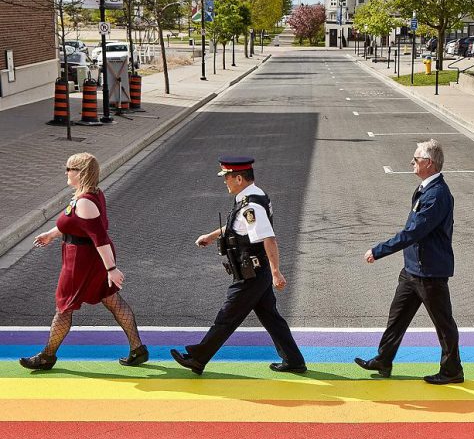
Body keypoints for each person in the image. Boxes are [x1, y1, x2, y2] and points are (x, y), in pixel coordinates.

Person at [170, 156, 306, 375]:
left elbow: (268, 238)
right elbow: (237, 226)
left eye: (227, 178)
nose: (225, 182)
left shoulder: (250, 205)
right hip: (254, 271)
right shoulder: (252, 196)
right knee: (271, 317)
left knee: (227, 315)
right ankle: (294, 360)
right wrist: (212, 236)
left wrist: (276, 272)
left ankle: (198, 358)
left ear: (239, 178)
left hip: (250, 273)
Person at [20, 153, 148, 370]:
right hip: (87, 258)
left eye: (69, 168)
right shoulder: (89, 195)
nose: (66, 172)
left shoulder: (85, 202)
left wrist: (112, 269)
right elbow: (73, 224)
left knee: (64, 307)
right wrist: (51, 234)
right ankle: (138, 349)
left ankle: (47, 356)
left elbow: (100, 239)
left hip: (81, 262)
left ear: (80, 173)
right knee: (112, 300)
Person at [355, 139, 463, 385]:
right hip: (413, 269)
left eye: (415, 159)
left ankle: (452, 370)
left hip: (429, 272)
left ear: (429, 163)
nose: (411, 162)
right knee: (398, 317)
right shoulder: (427, 189)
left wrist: (379, 250)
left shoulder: (436, 195)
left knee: (443, 323)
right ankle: (384, 359)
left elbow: (414, 232)